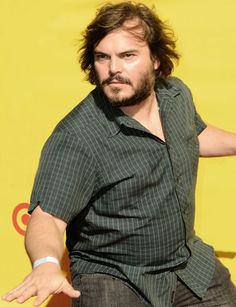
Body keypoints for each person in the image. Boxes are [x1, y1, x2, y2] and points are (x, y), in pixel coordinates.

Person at [2, 1, 236, 306]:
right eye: (102, 57)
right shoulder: (77, 136)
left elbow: (194, 136)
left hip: (184, 262)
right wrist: (45, 262)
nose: (113, 69)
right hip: (114, 276)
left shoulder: (176, 95)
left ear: (155, 58)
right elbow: (46, 219)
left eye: (127, 56)